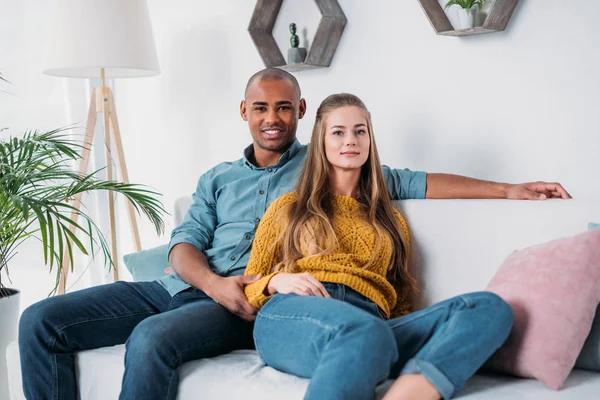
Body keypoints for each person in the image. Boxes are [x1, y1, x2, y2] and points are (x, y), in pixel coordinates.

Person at [18, 68, 571, 400]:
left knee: (485, 308)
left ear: (301, 114)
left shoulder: (345, 177)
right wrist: (222, 283)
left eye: (284, 107)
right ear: (244, 112)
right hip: (210, 287)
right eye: (261, 107)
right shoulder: (235, 183)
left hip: (307, 305)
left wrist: (509, 189)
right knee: (40, 320)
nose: (272, 118)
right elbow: (185, 243)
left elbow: (416, 190)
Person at [243, 93, 515, 400]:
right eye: (338, 132)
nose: (351, 140)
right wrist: (277, 281)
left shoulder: (391, 221)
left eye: (360, 131)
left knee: (488, 307)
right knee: (368, 333)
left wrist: (508, 190)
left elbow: (398, 302)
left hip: (372, 324)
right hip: (297, 314)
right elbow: (250, 288)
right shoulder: (289, 207)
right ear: (321, 141)